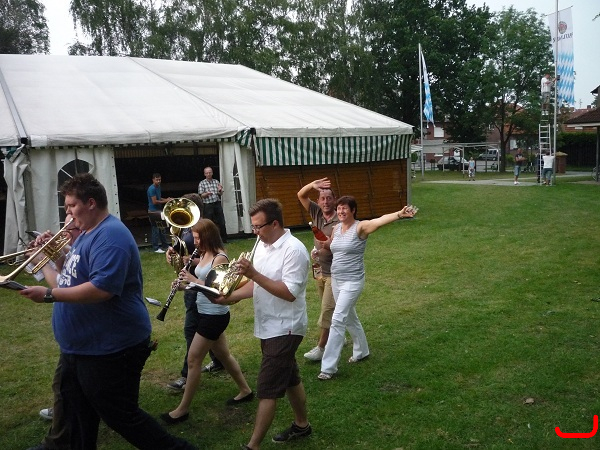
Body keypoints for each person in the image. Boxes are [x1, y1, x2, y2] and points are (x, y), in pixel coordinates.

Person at [20, 173, 196, 450]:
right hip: (81, 346)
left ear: (91, 203)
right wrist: (48, 257)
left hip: (110, 347)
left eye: (71, 206)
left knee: (120, 415)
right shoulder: (85, 234)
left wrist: (49, 295)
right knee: (74, 411)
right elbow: (70, 278)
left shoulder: (111, 235)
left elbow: (102, 289)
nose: (68, 213)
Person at [212, 199, 312, 449]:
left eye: (258, 226)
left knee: (267, 389)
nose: (254, 232)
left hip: (286, 327)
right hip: (269, 325)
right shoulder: (262, 246)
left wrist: (253, 273)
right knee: (290, 377)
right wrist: (228, 297)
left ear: (275, 224)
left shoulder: (294, 250)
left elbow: (289, 292)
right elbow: (257, 286)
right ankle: (302, 425)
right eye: (253, 226)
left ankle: (253, 445)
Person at [160, 219, 253, 424]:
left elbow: (219, 290)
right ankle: (246, 390)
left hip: (214, 315)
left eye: (197, 238)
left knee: (194, 360)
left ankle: (182, 410)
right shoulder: (203, 254)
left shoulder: (220, 258)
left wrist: (193, 280)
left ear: (208, 237)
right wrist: (184, 286)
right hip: (205, 311)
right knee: (224, 355)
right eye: (193, 238)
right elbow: (200, 286)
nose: (194, 242)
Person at [318, 197, 417, 381]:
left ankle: (328, 367)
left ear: (353, 210)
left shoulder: (361, 227)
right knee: (349, 317)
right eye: (339, 209)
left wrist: (399, 214)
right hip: (337, 280)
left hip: (352, 282)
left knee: (338, 319)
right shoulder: (336, 228)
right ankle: (362, 351)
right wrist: (319, 251)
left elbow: (379, 221)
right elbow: (332, 246)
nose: (341, 212)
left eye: (344, 209)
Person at [30, 215, 81, 450]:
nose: (66, 231)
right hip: (74, 334)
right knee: (67, 388)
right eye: (65, 225)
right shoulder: (76, 248)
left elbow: (63, 285)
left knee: (64, 386)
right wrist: (49, 253)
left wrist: (43, 261)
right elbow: (64, 269)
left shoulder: (86, 248)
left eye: (71, 226)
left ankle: (58, 440)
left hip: (83, 335)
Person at [164, 194, 224, 393]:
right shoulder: (186, 230)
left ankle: (186, 374)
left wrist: (187, 260)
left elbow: (213, 257)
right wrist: (172, 253)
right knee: (209, 332)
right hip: (192, 284)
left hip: (199, 285)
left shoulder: (203, 231)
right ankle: (219, 361)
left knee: (192, 329)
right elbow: (181, 249)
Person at [297, 178, 339, 361]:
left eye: (329, 198)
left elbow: (339, 245)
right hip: (320, 269)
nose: (326, 202)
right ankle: (339, 334)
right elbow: (301, 195)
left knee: (327, 309)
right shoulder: (316, 212)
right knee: (330, 307)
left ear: (334, 200)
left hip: (335, 272)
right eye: (322, 198)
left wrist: (322, 250)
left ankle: (321, 348)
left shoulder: (340, 218)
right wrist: (312, 185)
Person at [198, 166, 227, 242]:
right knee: (208, 222)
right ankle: (209, 239)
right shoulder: (202, 183)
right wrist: (206, 194)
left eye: (210, 172)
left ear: (212, 173)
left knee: (221, 221)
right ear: (204, 174)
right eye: (207, 173)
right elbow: (201, 195)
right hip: (208, 204)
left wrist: (220, 190)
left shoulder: (216, 182)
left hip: (217, 203)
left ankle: (224, 239)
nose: (208, 174)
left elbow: (220, 193)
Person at [147, 172, 172, 253]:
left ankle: (165, 245)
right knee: (155, 229)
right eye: (157, 180)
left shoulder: (158, 187)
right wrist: (166, 201)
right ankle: (156, 247)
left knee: (162, 228)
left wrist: (167, 199)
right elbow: (154, 201)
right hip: (153, 211)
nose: (158, 181)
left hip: (158, 210)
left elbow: (159, 198)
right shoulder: (152, 189)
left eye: (160, 180)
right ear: (153, 180)